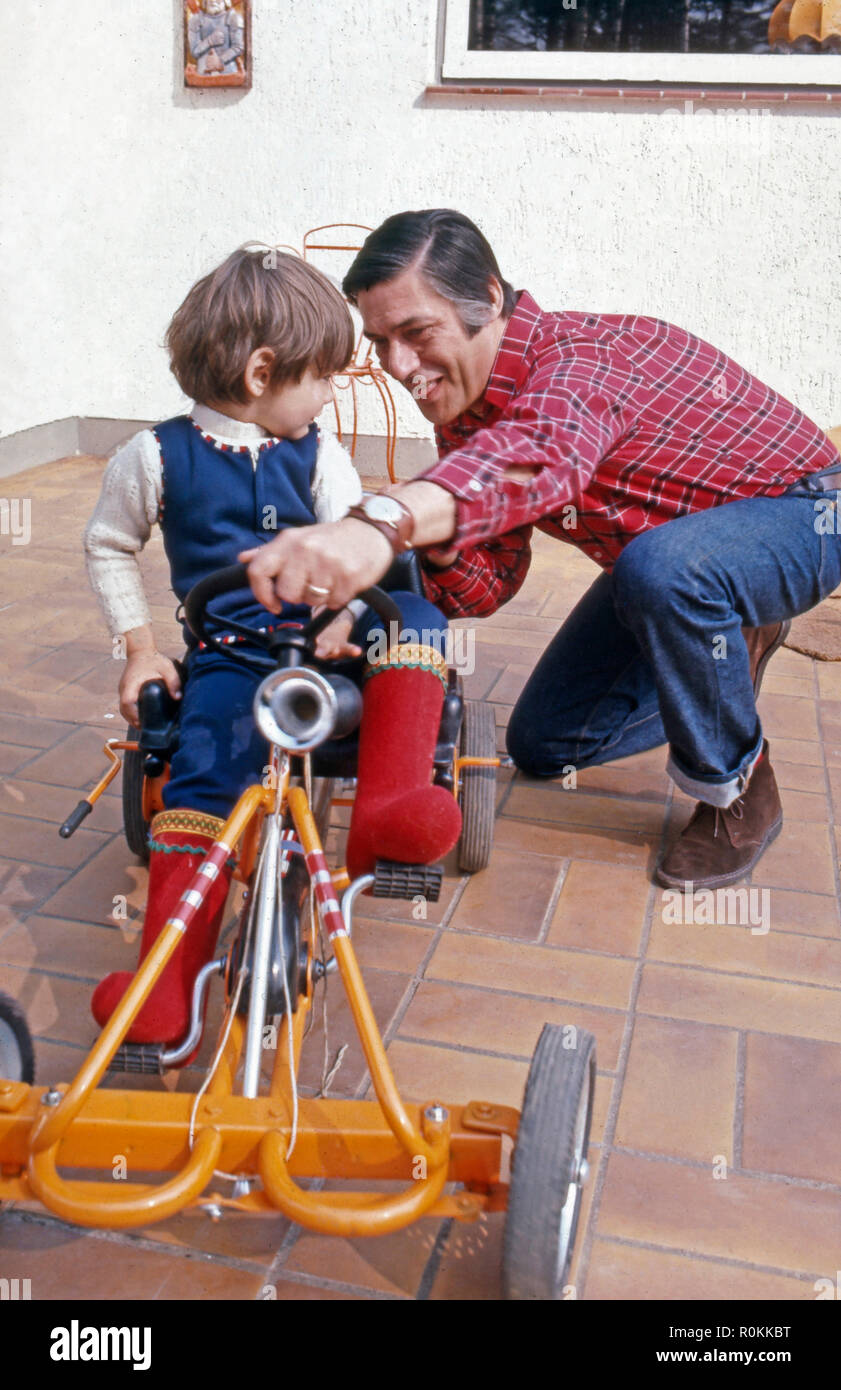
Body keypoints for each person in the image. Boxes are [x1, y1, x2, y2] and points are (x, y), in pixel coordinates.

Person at [243, 208, 841, 894]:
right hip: (671, 559)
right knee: (548, 746)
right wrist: (439, 547)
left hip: (806, 511)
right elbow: (490, 582)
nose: (400, 367)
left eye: (416, 333)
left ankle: (736, 791)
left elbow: (540, 458)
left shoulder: (583, 357)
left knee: (663, 570)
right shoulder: (465, 414)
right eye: (380, 342)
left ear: (489, 299)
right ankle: (724, 641)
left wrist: (385, 518)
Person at [83, 247, 460, 1047]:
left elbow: (357, 541)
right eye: (322, 377)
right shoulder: (153, 456)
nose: (328, 396)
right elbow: (109, 544)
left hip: (324, 639)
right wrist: (141, 647)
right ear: (263, 373)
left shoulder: (317, 453)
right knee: (201, 785)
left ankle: (386, 807)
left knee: (418, 621)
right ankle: (164, 992)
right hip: (229, 653)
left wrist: (351, 614)